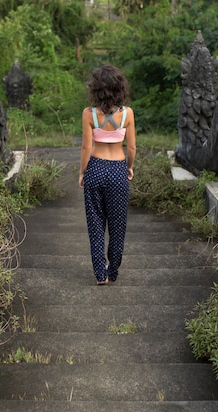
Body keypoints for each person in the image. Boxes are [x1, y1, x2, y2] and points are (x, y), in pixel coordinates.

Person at [79, 65, 136, 286]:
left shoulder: (88, 113)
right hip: (118, 170)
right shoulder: (128, 113)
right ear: (119, 87)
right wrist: (129, 167)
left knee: (95, 225)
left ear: (96, 89)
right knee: (117, 224)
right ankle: (113, 271)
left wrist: (83, 172)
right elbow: (131, 148)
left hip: (95, 169)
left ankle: (100, 275)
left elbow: (86, 147)